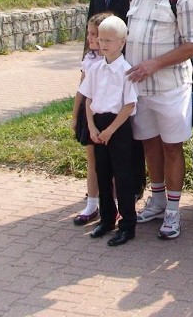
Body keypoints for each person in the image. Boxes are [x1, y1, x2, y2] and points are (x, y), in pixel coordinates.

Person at [126, 0, 193, 240]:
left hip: (170, 87)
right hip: (139, 88)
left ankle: (173, 212)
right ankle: (156, 201)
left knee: (172, 148)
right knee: (148, 143)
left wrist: (154, 64)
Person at [88, 0, 148, 204]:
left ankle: (132, 188)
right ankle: (103, 194)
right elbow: (91, 25)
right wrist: (87, 61)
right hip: (100, 68)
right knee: (99, 132)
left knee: (129, 134)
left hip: (128, 67)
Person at [79, 16, 139, 247]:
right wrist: (93, 127)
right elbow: (88, 99)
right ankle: (106, 218)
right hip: (99, 124)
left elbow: (129, 105)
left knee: (122, 176)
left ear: (122, 42)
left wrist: (111, 130)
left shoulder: (127, 71)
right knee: (102, 173)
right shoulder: (95, 68)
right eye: (100, 39)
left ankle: (128, 224)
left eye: (109, 40)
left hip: (118, 126)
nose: (103, 44)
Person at [70, 12, 112, 225]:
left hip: (110, 117)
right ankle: (92, 203)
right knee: (93, 161)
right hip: (90, 115)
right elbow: (82, 89)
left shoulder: (115, 61)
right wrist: (75, 115)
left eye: (94, 34)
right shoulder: (89, 59)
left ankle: (113, 204)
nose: (90, 38)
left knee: (113, 162)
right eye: (89, 34)